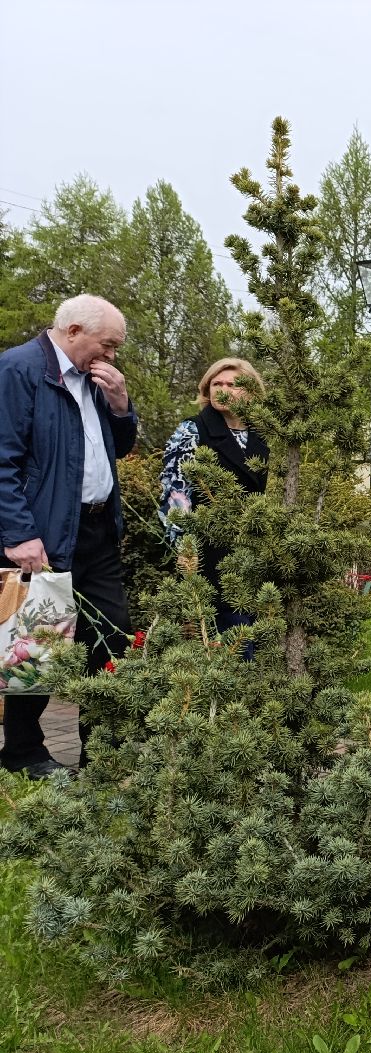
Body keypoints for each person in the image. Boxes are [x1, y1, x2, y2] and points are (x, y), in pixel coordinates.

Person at [0, 295, 136, 778]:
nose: (112, 356)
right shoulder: (19, 370)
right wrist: (18, 532)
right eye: (108, 345)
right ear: (75, 331)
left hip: (97, 530)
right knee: (39, 643)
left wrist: (121, 405)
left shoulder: (95, 379)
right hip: (47, 535)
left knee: (113, 635)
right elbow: (3, 459)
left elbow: (119, 448)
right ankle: (23, 752)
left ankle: (103, 755)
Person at [158, 358, 270, 630]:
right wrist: (185, 547)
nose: (222, 389)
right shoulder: (192, 430)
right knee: (229, 629)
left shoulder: (264, 434)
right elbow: (175, 491)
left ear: (250, 390)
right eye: (216, 384)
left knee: (254, 625)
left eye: (232, 384)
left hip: (254, 546)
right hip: (208, 547)